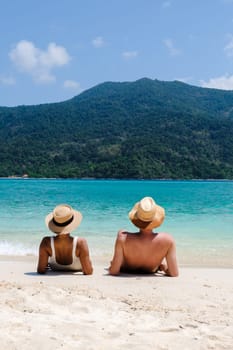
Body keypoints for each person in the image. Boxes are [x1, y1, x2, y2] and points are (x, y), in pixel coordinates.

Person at [109, 197, 178, 277]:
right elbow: (174, 273)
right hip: (151, 271)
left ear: (137, 218)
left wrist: (113, 265)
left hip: (127, 269)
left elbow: (114, 271)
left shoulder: (123, 237)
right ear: (156, 218)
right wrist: (165, 268)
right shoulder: (168, 240)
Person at [37, 204, 93, 275]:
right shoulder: (80, 243)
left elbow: (41, 270)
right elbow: (88, 272)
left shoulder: (46, 242)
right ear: (72, 223)